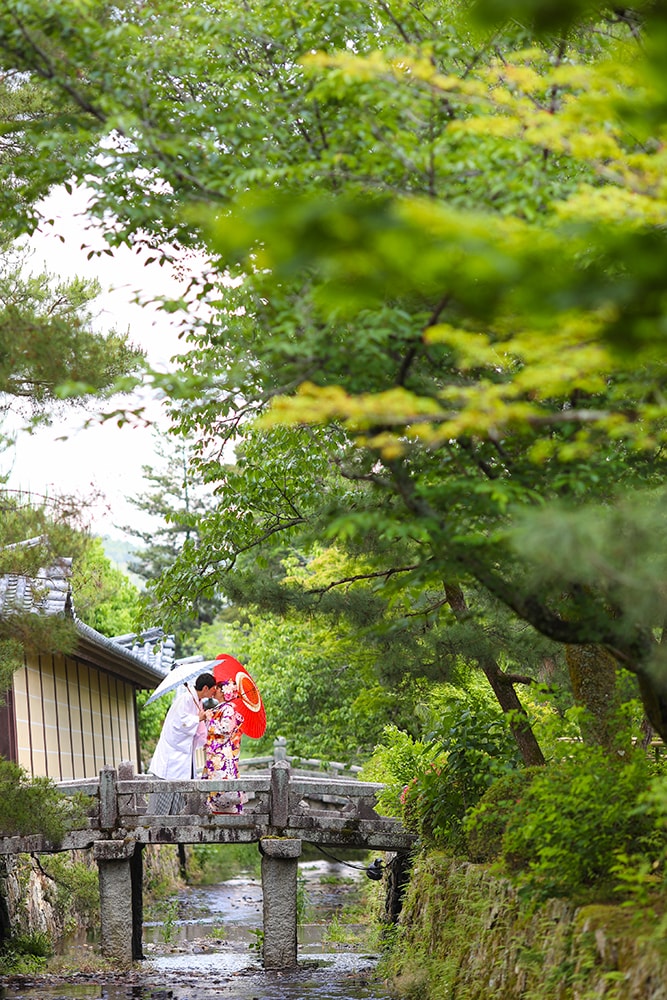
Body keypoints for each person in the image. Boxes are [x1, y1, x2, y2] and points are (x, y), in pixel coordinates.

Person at [148, 672, 218, 814]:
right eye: (213, 689)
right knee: (167, 792)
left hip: (183, 756)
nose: (214, 692)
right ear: (205, 688)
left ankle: (177, 819)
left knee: (182, 792)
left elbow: (195, 727)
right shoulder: (185, 699)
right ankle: (161, 823)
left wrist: (203, 729)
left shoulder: (196, 701)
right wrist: (197, 718)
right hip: (172, 755)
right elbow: (179, 724)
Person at [201, 678, 248, 815]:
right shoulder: (220, 708)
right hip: (215, 752)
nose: (214, 690)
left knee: (223, 785)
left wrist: (210, 720)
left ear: (223, 692)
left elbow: (226, 730)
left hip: (222, 754)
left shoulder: (228, 709)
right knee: (214, 786)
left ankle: (227, 816)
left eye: (218, 688)